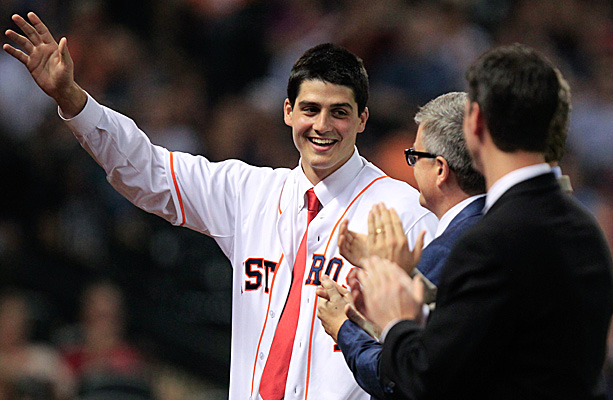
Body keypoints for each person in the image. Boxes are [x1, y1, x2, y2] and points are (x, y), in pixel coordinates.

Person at [3, 12, 437, 400]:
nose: (322, 126)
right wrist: (73, 100)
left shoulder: (402, 212)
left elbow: (428, 354)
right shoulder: (249, 191)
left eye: (339, 112)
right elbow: (148, 169)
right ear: (287, 112)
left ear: (363, 118)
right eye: (310, 109)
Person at [348, 44, 613, 399]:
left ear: (475, 122)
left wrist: (396, 321)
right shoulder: (587, 229)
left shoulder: (489, 241)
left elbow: (427, 379)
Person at [317, 91, 486, 399]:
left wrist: (343, 327)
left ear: (439, 170)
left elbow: (401, 378)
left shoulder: (450, 253)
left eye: (415, 156)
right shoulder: (508, 231)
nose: (410, 166)